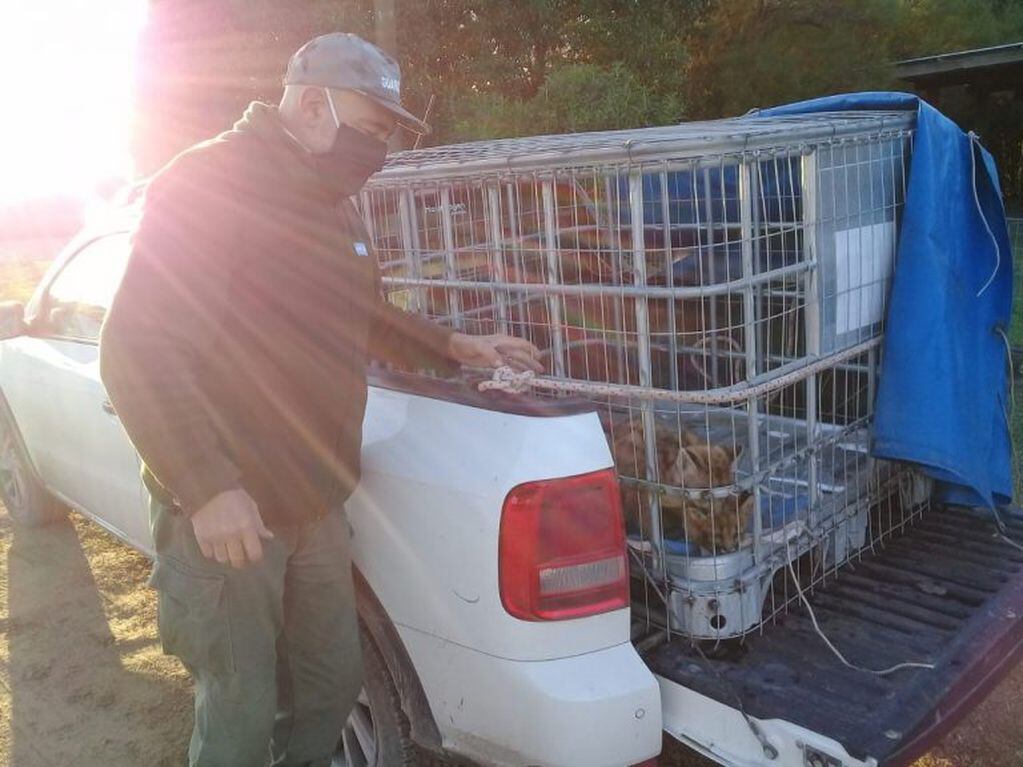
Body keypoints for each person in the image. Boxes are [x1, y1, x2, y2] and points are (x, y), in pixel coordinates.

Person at [99, 32, 541, 767]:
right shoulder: (209, 183)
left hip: (314, 502)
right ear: (311, 104)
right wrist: (208, 488)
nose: (378, 152)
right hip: (232, 513)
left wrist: (453, 347)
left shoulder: (334, 200)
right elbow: (137, 348)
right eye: (371, 129)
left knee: (332, 683)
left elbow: (361, 312)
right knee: (238, 707)